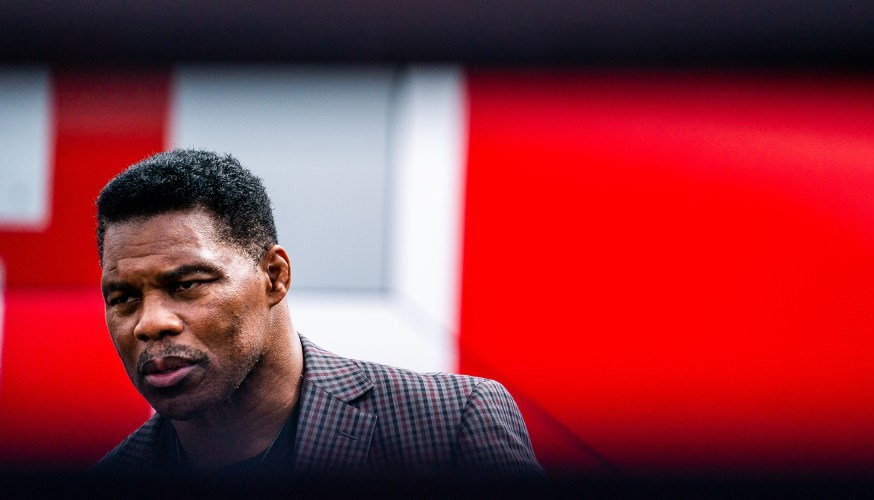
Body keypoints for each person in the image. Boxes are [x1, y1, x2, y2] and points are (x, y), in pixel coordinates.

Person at [92, 149, 543, 477]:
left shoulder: (448, 426)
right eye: (123, 297)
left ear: (274, 276)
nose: (151, 323)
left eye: (187, 285)